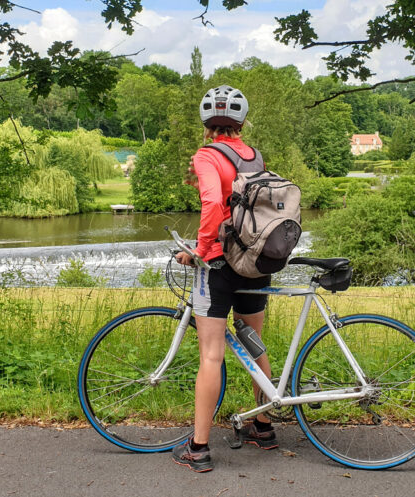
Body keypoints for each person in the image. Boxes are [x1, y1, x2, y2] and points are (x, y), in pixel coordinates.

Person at [172, 85, 277, 473]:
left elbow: (214, 203)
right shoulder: (254, 156)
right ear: (242, 122)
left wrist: (200, 250)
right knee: (253, 343)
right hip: (256, 262)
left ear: (206, 124)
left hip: (219, 267)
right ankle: (262, 426)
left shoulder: (206, 156)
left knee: (211, 356)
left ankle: (198, 448)